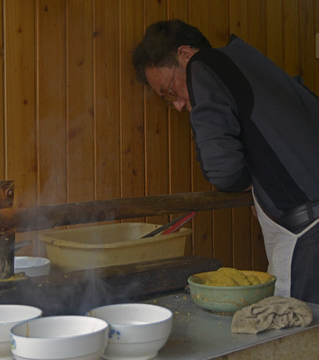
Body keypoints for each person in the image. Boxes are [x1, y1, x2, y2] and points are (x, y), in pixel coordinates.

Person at [132, 19, 319, 304]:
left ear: (185, 55)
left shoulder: (201, 65)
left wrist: (251, 187)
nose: (179, 105)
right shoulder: (249, 61)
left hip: (307, 234)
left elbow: (224, 171)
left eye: (169, 92)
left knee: (301, 333)